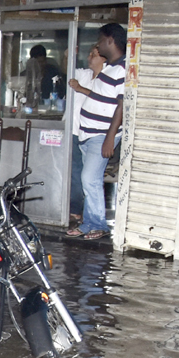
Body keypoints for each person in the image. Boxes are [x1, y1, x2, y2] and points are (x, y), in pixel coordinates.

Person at [66, 23, 125, 240]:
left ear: (110, 40)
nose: (99, 46)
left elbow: (122, 105)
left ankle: (98, 225)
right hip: (88, 134)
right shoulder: (109, 68)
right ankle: (88, 223)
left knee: (89, 178)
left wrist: (109, 138)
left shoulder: (123, 70)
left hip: (102, 135)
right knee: (89, 180)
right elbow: (103, 99)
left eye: (100, 41)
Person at [66, 46, 104, 224]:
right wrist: (68, 55)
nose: (89, 57)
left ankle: (81, 213)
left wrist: (80, 89)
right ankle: (75, 210)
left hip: (92, 133)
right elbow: (67, 70)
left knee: (84, 176)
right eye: (89, 53)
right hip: (72, 129)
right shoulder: (85, 74)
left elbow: (103, 99)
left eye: (94, 55)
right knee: (74, 172)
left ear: (103, 59)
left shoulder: (108, 78)